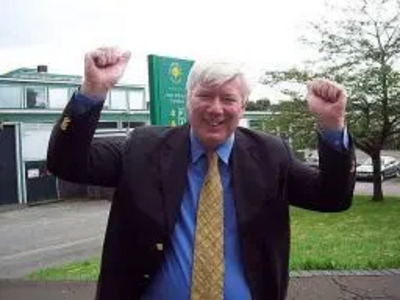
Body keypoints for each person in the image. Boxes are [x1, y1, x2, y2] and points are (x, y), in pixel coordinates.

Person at [47, 47, 356, 300]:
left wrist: (332, 126)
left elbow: (332, 197)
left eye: (228, 99)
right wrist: (92, 91)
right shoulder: (143, 148)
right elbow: (67, 163)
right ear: (188, 99)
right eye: (205, 95)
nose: (216, 108)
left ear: (243, 106)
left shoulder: (270, 154)